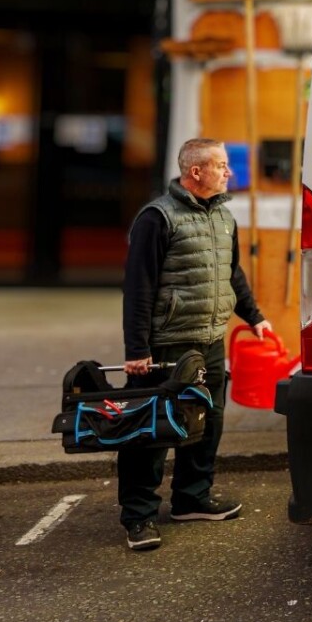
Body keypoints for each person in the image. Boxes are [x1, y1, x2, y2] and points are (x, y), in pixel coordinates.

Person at [118, 138, 271, 551]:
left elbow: (231, 272)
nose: (228, 172)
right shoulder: (157, 218)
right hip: (168, 342)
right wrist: (137, 350)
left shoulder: (223, 216)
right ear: (195, 172)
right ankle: (138, 516)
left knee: (208, 421)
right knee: (151, 430)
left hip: (210, 339)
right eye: (220, 165)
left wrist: (254, 317)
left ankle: (191, 498)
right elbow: (138, 288)